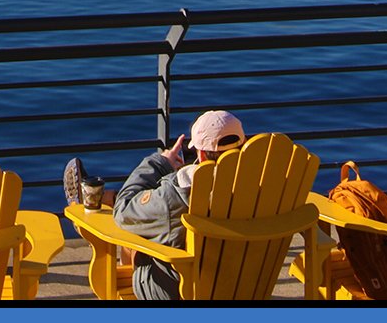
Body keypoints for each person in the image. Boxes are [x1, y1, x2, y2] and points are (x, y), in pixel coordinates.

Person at [62, 109, 248, 301]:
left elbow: (124, 213)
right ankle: (100, 198)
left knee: (136, 228)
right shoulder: (264, 185)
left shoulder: (178, 193)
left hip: (179, 290)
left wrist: (159, 163)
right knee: (154, 217)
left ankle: (92, 201)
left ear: (200, 154)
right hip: (245, 286)